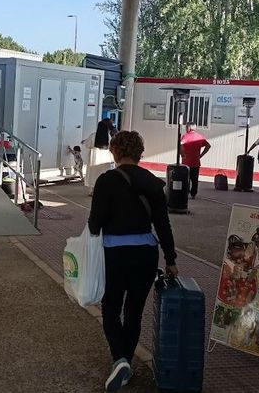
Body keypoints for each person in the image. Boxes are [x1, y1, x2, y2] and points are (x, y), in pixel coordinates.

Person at [88, 131, 178, 392]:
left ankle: (120, 360)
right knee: (134, 311)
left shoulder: (106, 181)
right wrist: (171, 259)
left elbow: (96, 222)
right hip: (145, 254)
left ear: (115, 152)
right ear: (140, 152)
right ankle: (124, 364)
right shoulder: (153, 182)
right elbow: (163, 225)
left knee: (111, 308)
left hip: (114, 254)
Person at [82, 118, 117, 196]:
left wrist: (84, 141)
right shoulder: (108, 136)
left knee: (93, 174)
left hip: (94, 158)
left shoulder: (93, 135)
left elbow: (87, 145)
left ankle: (92, 191)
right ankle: (104, 190)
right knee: (103, 173)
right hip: (105, 159)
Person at [179, 122, 211, 199]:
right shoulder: (200, 137)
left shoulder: (185, 136)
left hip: (186, 162)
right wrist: (201, 155)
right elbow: (208, 146)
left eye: (186, 127)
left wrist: (182, 154)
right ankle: (193, 194)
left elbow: (181, 145)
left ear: (188, 128)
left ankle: (185, 193)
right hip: (196, 162)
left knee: (186, 179)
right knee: (195, 179)